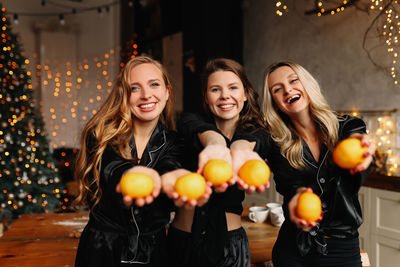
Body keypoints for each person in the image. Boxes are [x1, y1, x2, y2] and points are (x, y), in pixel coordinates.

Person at [231, 61, 376, 267]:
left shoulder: (347, 126)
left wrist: (363, 151)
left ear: (306, 84)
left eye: (293, 80)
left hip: (342, 249)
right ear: (274, 102)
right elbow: (251, 140)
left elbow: (356, 141)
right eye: (277, 89)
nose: (287, 90)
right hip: (293, 249)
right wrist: (239, 149)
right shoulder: (274, 139)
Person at [73, 56, 187, 267]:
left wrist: (173, 177)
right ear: (124, 95)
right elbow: (112, 167)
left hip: (155, 252)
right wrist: (133, 175)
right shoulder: (100, 134)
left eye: (154, 84)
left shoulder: (175, 141)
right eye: (135, 88)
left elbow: (170, 166)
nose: (146, 95)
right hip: (102, 251)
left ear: (167, 91)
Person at [163, 58, 267, 267]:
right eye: (215, 89)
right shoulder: (190, 123)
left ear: (245, 94)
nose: (225, 95)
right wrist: (215, 142)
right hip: (182, 244)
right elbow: (193, 127)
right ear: (206, 97)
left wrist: (239, 148)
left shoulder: (258, 133)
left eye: (233, 87)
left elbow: (255, 141)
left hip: (230, 248)